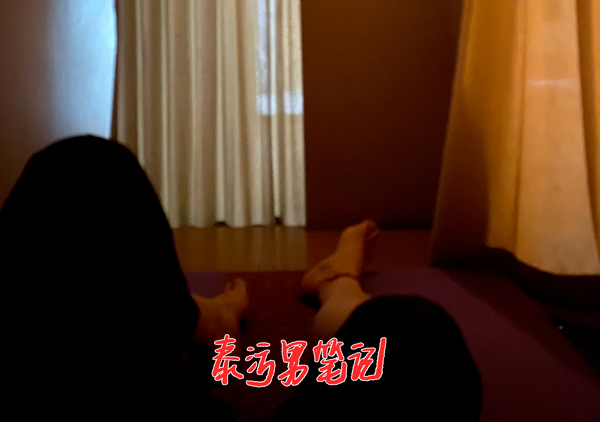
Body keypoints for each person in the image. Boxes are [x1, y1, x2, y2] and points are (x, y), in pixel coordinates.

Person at [0, 136, 482, 419]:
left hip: (85, 353)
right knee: (417, 339)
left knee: (73, 221)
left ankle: (209, 316)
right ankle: (337, 281)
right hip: (148, 370)